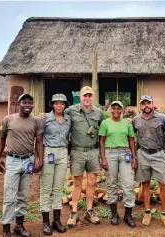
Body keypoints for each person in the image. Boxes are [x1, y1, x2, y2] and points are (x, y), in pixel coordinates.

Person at [39, 86, 104, 227]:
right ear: (80, 97)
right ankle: (74, 212)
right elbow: (57, 115)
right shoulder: (70, 111)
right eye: (84, 96)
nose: (87, 98)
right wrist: (43, 116)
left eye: (89, 96)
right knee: (78, 183)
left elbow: (103, 130)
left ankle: (89, 211)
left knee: (92, 181)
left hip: (93, 151)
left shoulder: (98, 113)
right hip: (77, 151)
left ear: (93, 97)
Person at [0, 94, 44, 237]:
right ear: (19, 104)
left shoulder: (36, 122)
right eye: (25, 103)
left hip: (28, 160)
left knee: (23, 195)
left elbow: (39, 142)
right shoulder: (8, 119)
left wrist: (39, 159)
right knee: (10, 195)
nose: (28, 105)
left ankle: (19, 226)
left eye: (30, 103)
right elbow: (2, 139)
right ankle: (6, 229)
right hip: (13, 160)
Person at [132, 95, 165, 228]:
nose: (146, 106)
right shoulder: (136, 120)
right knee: (145, 184)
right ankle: (147, 212)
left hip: (158, 154)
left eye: (148, 103)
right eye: (143, 103)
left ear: (152, 104)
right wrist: (133, 155)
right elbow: (131, 137)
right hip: (142, 154)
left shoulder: (162, 118)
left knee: (163, 184)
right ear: (140, 106)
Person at [99, 101, 137, 228]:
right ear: (111, 110)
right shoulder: (105, 123)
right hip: (110, 153)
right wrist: (103, 158)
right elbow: (102, 141)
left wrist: (134, 157)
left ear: (122, 110)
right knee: (111, 183)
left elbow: (131, 140)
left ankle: (128, 214)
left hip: (125, 152)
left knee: (128, 183)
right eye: (114, 108)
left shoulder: (127, 124)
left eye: (118, 108)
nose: (116, 110)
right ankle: (114, 214)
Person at [40, 94, 71, 235]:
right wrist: (39, 157)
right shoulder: (44, 118)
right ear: (52, 105)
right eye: (56, 103)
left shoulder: (68, 119)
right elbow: (39, 139)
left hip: (62, 153)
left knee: (58, 187)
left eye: (62, 103)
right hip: (49, 152)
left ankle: (56, 220)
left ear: (65, 105)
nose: (59, 106)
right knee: (46, 187)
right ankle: (46, 222)